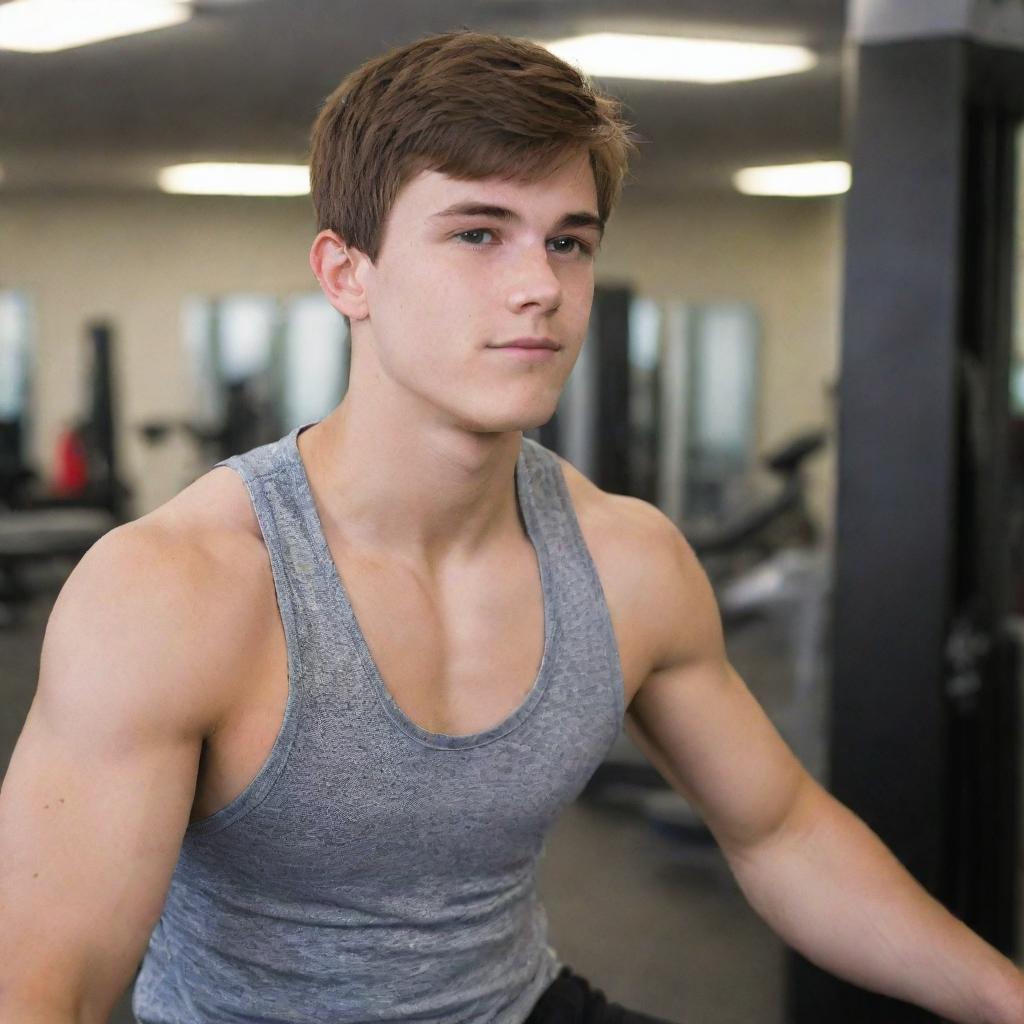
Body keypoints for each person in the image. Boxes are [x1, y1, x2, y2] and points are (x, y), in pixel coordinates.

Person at [0, 28, 1021, 1024]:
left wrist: (1003, 996)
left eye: (567, 240)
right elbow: (50, 986)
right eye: (478, 232)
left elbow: (781, 830)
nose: (540, 286)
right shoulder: (176, 587)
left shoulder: (627, 561)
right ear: (345, 272)